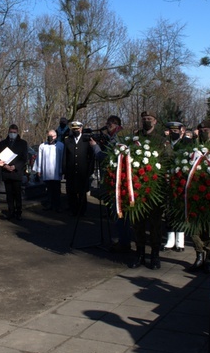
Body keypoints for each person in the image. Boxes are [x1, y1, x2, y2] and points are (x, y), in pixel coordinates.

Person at [128, 111, 168, 270]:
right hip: (138, 189)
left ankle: (155, 256)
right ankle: (139, 254)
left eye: (149, 119)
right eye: (144, 119)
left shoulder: (161, 141)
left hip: (155, 190)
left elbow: (167, 161)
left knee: (155, 225)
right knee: (138, 224)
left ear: (155, 121)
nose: (146, 121)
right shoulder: (135, 139)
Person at [90, 115, 131, 253]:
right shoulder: (120, 136)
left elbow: (106, 158)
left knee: (119, 213)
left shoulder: (118, 139)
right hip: (120, 180)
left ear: (113, 124)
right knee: (121, 214)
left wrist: (95, 147)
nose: (106, 127)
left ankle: (124, 242)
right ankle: (123, 241)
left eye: (108, 125)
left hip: (117, 181)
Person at [189, 119, 210, 273]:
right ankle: (199, 255)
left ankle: (209, 259)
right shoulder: (192, 146)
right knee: (194, 229)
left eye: (206, 130)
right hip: (195, 194)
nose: (203, 132)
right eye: (201, 130)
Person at [162, 121, 190, 252]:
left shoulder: (187, 143)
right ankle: (170, 239)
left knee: (179, 210)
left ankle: (180, 240)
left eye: (176, 130)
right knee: (168, 210)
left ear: (181, 130)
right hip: (167, 180)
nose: (173, 132)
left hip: (181, 181)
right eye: (171, 130)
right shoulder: (165, 144)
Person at [62, 120, 95, 217]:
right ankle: (74, 211)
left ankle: (81, 212)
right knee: (71, 193)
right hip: (71, 172)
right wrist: (64, 170)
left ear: (81, 129)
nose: (75, 131)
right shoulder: (68, 140)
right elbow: (65, 157)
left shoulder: (86, 141)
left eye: (77, 129)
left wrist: (90, 170)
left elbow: (91, 157)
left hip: (82, 172)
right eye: (74, 129)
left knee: (81, 194)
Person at [0, 124, 28, 220]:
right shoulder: (3, 143)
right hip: (6, 171)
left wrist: (15, 166)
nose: (12, 134)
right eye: (11, 132)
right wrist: (5, 166)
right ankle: (10, 211)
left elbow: (24, 159)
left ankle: (18, 211)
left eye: (14, 133)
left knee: (17, 193)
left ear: (17, 132)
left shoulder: (22, 143)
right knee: (9, 194)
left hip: (16, 172)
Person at [33, 129, 64, 212]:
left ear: (55, 136)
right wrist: (39, 170)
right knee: (48, 189)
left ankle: (57, 206)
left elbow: (62, 159)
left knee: (57, 190)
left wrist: (62, 169)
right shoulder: (42, 146)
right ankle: (49, 204)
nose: (50, 138)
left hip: (56, 172)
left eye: (52, 136)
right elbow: (39, 158)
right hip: (46, 171)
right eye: (48, 136)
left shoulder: (60, 146)